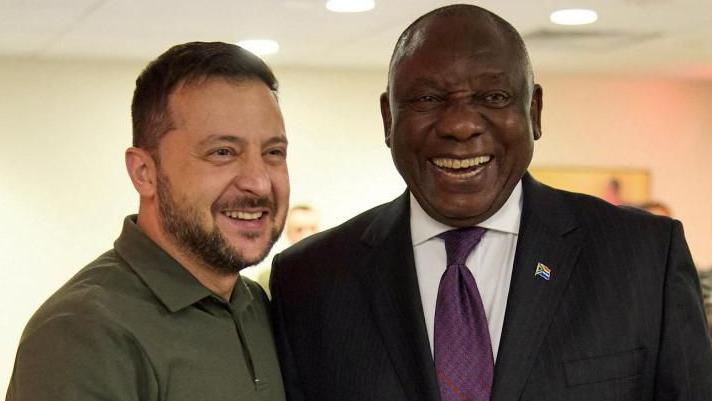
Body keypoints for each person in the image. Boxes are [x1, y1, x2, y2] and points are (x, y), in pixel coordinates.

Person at [270, 5, 712, 401]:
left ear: (534, 111)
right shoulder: (310, 280)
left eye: (493, 97)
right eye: (428, 99)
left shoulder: (643, 258)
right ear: (388, 119)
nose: (461, 125)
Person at [6, 41, 289, 401]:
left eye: (273, 153)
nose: (259, 181)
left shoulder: (257, 306)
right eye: (222, 152)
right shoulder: (85, 330)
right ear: (144, 172)